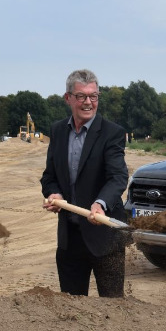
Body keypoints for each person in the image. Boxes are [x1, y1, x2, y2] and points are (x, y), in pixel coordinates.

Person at [41, 69, 129, 297]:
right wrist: (55, 194)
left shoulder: (112, 133)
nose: (88, 102)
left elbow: (118, 177)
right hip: (70, 239)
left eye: (94, 96)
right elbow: (49, 176)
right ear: (68, 98)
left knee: (113, 308)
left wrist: (101, 203)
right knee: (71, 307)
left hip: (105, 236)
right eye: (81, 96)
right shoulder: (58, 131)